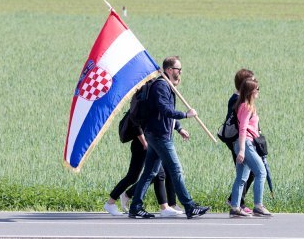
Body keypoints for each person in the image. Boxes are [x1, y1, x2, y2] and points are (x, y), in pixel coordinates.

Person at [128, 56, 210, 219]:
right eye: (178, 69)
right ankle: (189, 206)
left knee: (150, 172)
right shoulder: (160, 86)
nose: (180, 72)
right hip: (159, 136)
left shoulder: (166, 85)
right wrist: (185, 115)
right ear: (169, 70)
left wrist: (178, 128)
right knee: (176, 170)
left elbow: (162, 114)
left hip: (157, 133)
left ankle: (135, 206)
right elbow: (166, 110)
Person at [104, 85, 186, 217]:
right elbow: (135, 123)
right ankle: (112, 201)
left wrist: (179, 128)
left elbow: (164, 113)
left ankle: (164, 207)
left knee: (158, 174)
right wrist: (145, 143)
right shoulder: (140, 97)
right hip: (141, 144)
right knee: (134, 175)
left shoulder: (150, 94)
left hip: (149, 141)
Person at [229, 78, 271, 217]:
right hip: (246, 144)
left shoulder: (243, 105)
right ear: (251, 91)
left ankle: (235, 207)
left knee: (242, 177)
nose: (258, 91)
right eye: (257, 89)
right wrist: (241, 150)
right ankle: (258, 205)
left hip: (244, 143)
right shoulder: (247, 107)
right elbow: (242, 128)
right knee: (261, 172)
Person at [222, 69, 255, 215]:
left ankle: (238, 202)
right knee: (247, 172)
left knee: (246, 172)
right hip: (238, 141)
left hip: (239, 140)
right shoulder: (236, 100)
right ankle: (236, 202)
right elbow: (239, 124)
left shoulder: (238, 99)